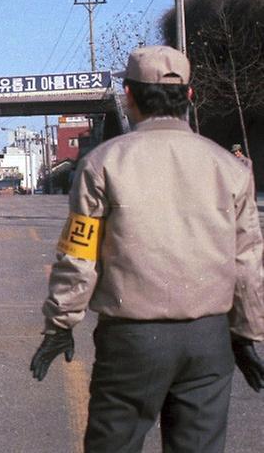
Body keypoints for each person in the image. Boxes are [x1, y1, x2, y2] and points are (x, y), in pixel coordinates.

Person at [30, 45, 264, 452]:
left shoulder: (102, 164)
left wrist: (60, 325)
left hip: (131, 342)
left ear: (129, 95)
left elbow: (78, 256)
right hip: (209, 339)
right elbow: (247, 260)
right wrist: (247, 333)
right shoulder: (230, 168)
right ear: (189, 96)